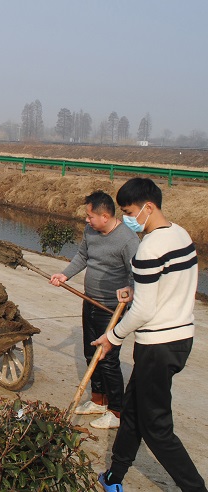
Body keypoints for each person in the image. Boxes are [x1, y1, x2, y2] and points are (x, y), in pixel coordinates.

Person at [94, 178, 205, 492]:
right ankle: (114, 478)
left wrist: (112, 337)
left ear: (149, 207)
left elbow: (142, 312)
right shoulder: (180, 234)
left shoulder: (149, 248)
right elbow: (173, 283)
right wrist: (137, 288)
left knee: (156, 428)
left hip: (157, 344)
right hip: (181, 338)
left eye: (129, 212)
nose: (129, 219)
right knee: (132, 412)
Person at [50, 190, 139, 430]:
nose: (87, 221)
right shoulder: (91, 231)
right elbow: (83, 256)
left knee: (107, 358)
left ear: (106, 215)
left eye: (90, 216)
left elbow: (137, 276)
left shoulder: (128, 240)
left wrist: (129, 296)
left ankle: (116, 411)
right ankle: (99, 400)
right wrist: (65, 275)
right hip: (89, 300)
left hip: (111, 309)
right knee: (91, 353)